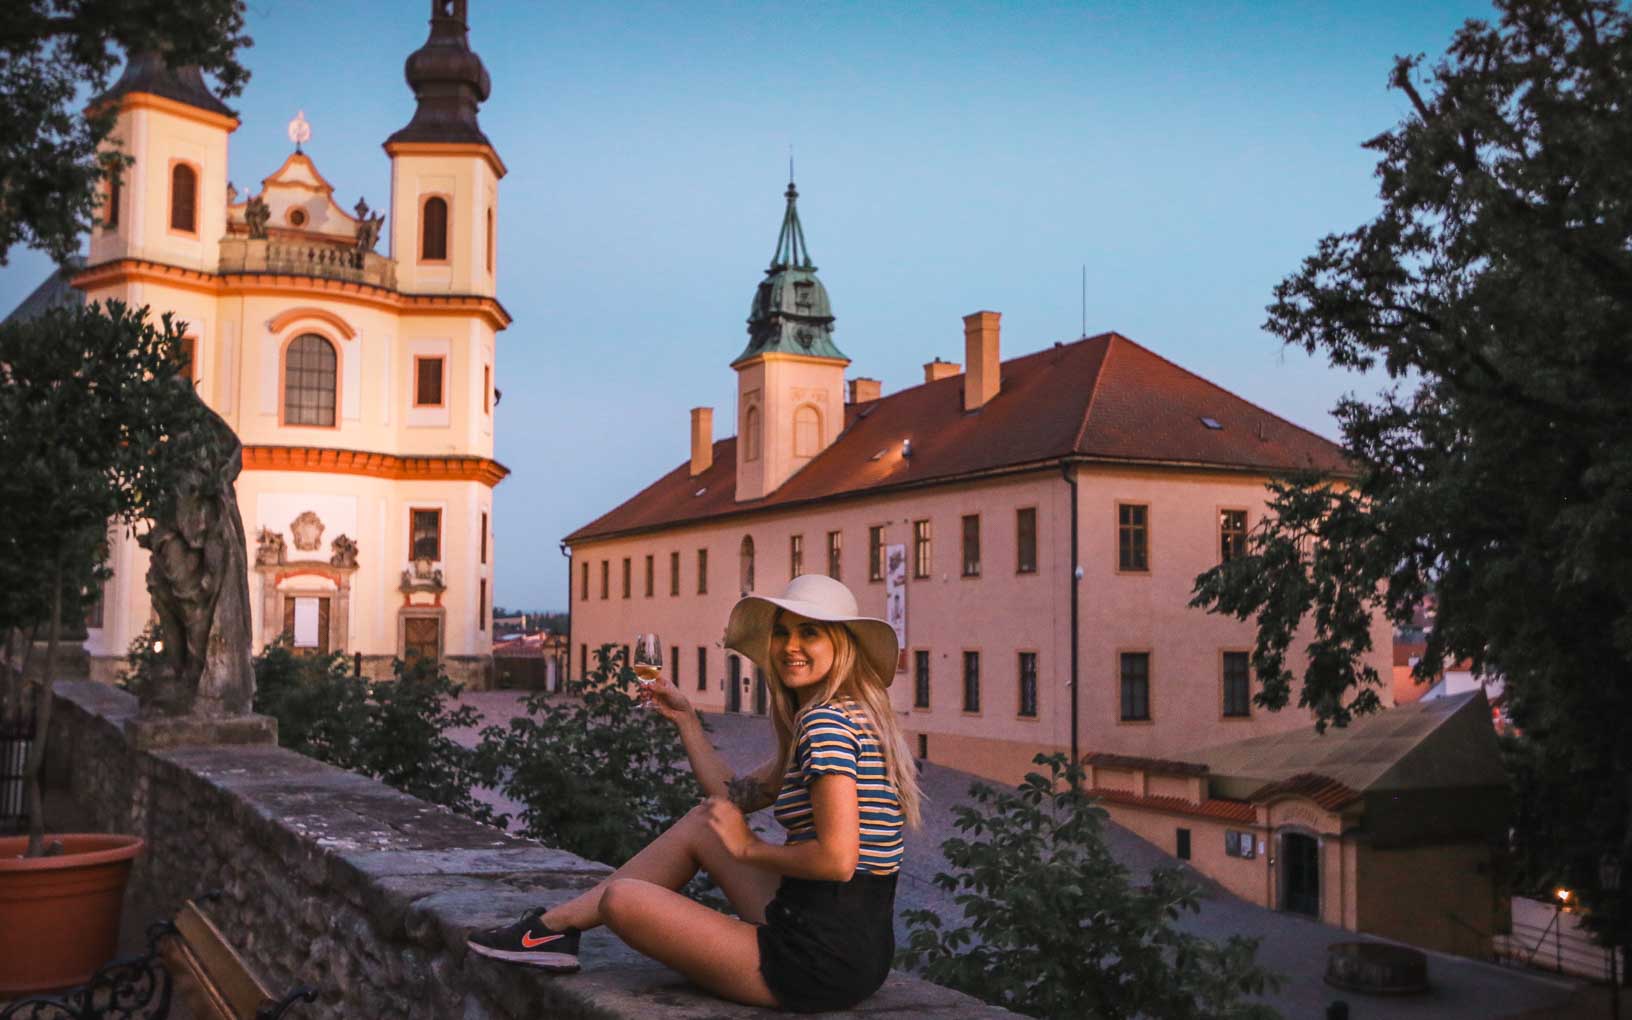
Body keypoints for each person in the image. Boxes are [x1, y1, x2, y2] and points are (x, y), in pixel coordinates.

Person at [467, 574, 923, 1012]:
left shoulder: (824, 724)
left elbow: (838, 860)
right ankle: (551, 928)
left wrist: (749, 849)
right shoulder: (851, 715)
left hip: (814, 960)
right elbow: (733, 796)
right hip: (857, 950)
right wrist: (686, 718)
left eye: (810, 633)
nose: (790, 647)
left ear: (841, 644)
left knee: (622, 900)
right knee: (707, 819)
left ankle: (550, 928)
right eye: (782, 633)